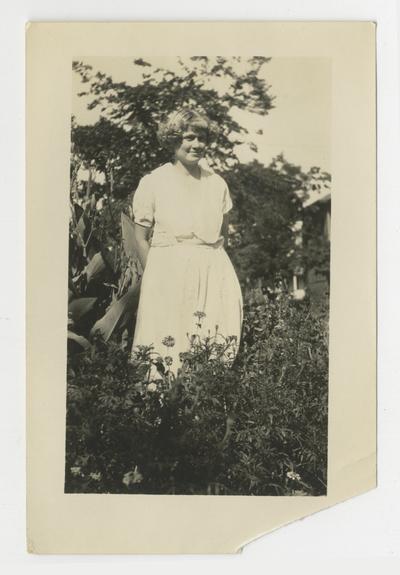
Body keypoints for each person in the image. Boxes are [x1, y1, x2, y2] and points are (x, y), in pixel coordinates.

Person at [131, 108, 243, 374]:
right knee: (168, 341)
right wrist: (158, 276)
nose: (197, 145)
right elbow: (140, 237)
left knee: (215, 338)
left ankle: (206, 408)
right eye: (190, 137)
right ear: (173, 138)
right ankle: (162, 410)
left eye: (202, 138)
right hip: (167, 271)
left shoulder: (217, 184)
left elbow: (222, 235)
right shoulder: (154, 182)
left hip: (213, 271)